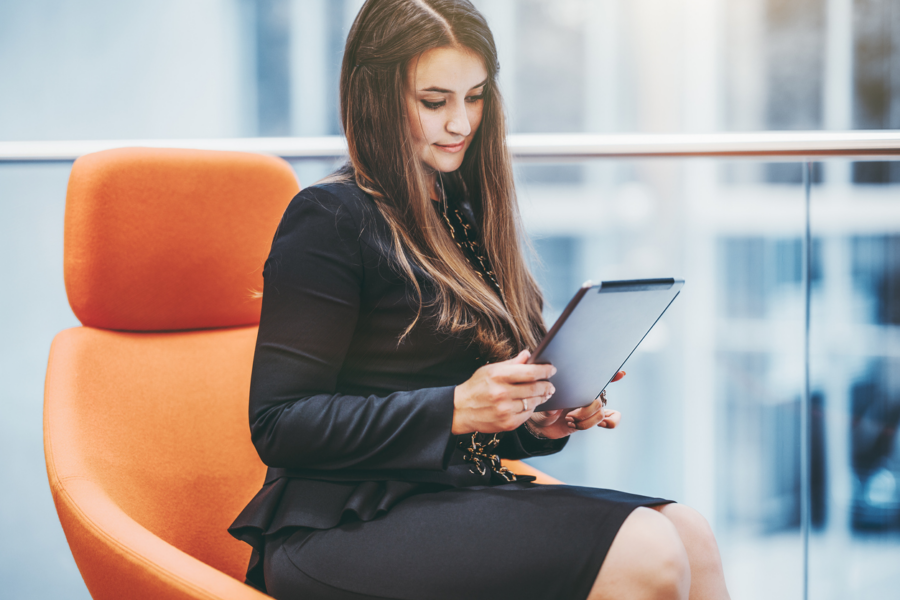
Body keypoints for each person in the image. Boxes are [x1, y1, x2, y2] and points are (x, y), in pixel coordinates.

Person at [229, 1, 730, 598]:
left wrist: (539, 420)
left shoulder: (462, 216)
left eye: (475, 96)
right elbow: (280, 425)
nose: (461, 123)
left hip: (454, 494)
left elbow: (471, 415)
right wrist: (456, 407)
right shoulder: (328, 218)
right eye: (434, 101)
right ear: (375, 97)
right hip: (342, 522)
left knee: (689, 535)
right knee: (647, 550)